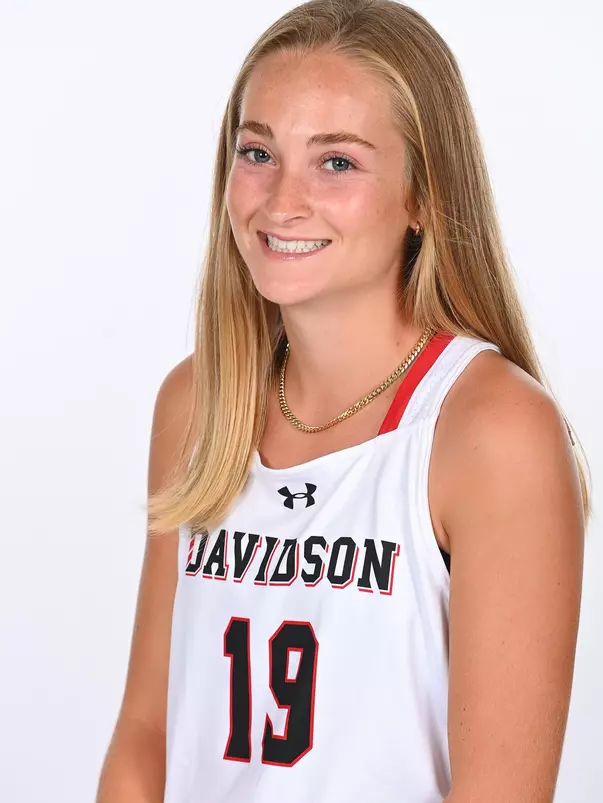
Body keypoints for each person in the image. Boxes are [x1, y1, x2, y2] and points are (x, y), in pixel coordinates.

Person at [96, 1, 589, 801]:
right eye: (257, 152)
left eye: (337, 163)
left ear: (424, 195)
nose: (281, 200)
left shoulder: (490, 432)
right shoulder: (197, 404)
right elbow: (146, 733)